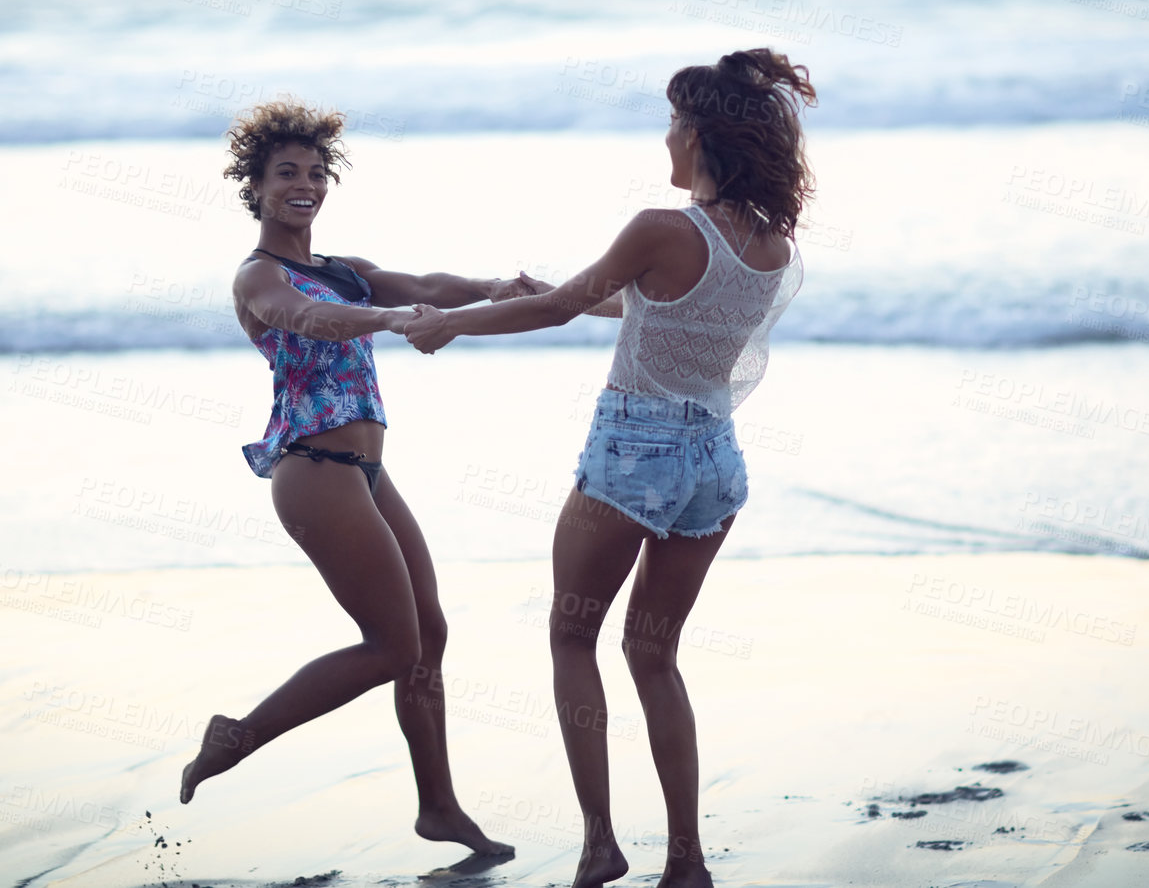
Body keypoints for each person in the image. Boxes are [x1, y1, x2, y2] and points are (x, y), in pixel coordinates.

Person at [405, 49, 814, 888]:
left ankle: (599, 845)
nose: (665, 138)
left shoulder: (661, 228)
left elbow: (561, 311)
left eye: (672, 122)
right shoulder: (770, 244)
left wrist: (456, 322)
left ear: (698, 134)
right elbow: (645, 307)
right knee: (655, 655)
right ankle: (686, 861)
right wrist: (561, 289)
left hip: (634, 453)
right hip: (714, 463)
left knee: (571, 635)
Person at [179, 99, 514, 863]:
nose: (305, 184)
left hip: (367, 472)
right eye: (286, 173)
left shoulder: (345, 271)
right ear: (255, 188)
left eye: (316, 172)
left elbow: (428, 280)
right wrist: (394, 322)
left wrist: (497, 285)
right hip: (313, 472)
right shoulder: (259, 276)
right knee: (393, 647)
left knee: (429, 634)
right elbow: (304, 319)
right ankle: (238, 736)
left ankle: (439, 808)